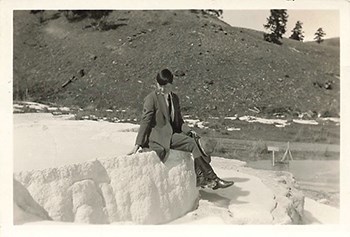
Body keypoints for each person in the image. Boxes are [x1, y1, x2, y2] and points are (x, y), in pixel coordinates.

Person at [129, 68, 234, 190]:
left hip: (172, 134)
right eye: (160, 85)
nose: (162, 89)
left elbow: (179, 121)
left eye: (166, 86)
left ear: (171, 84)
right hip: (159, 136)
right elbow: (145, 121)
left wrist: (189, 131)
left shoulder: (174, 99)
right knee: (191, 143)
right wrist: (138, 143)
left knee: (195, 140)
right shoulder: (151, 98)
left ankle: (202, 178)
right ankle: (212, 178)